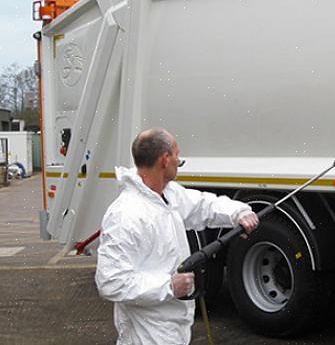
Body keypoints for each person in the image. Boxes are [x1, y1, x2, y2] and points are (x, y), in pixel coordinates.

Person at [95, 127, 259, 345]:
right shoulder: (126, 215)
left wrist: (238, 212)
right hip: (146, 332)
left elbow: (203, 205)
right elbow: (111, 282)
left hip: (173, 325)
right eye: (177, 155)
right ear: (165, 159)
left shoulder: (167, 194)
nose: (179, 162)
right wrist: (168, 286)